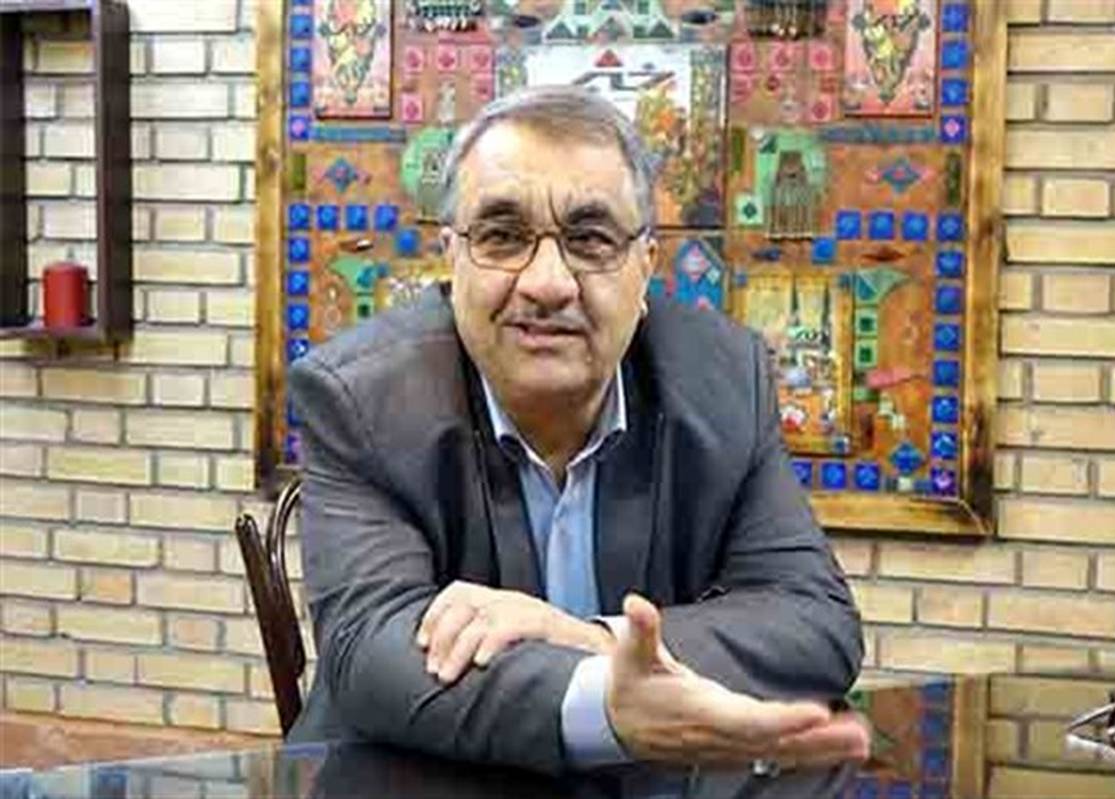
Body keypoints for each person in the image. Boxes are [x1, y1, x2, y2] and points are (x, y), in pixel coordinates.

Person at [287, 85, 867, 778]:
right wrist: (604, 702)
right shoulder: (360, 398)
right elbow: (372, 650)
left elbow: (814, 620)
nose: (547, 283)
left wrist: (591, 642)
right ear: (451, 257)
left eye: (590, 240)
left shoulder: (723, 380)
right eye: (503, 236)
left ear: (646, 264)